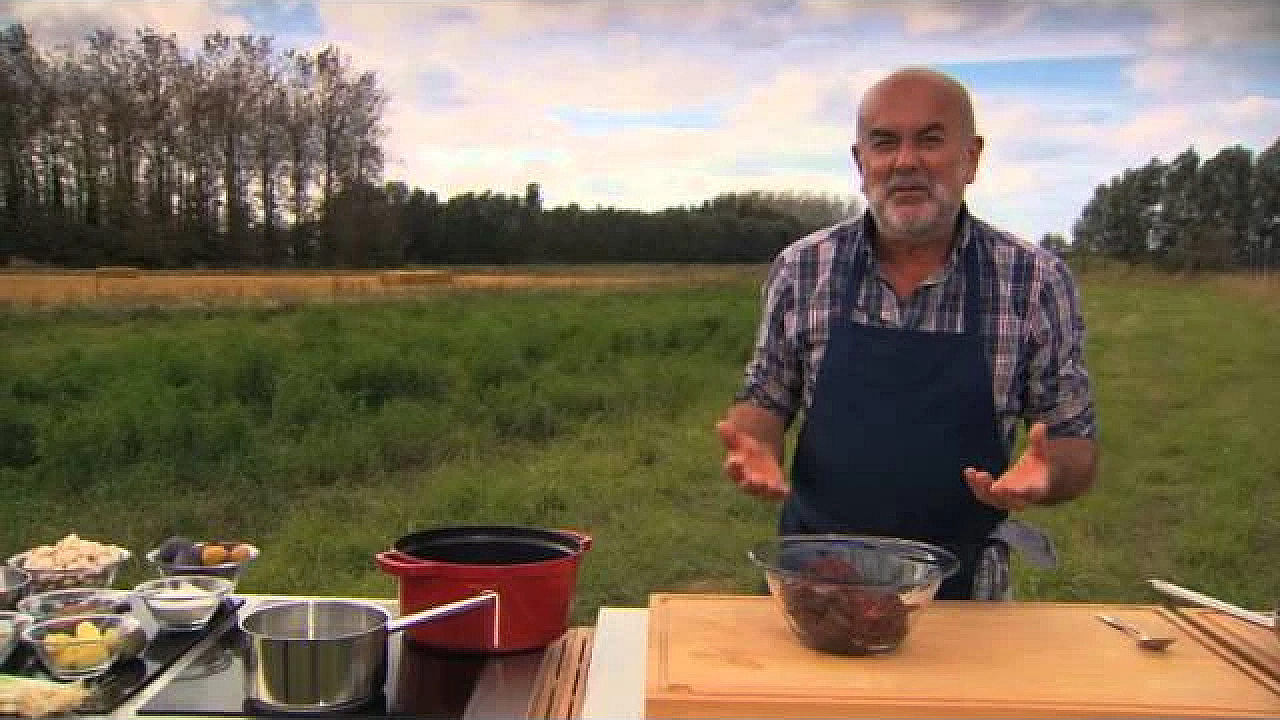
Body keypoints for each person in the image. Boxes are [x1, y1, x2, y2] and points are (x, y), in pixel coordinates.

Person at [717, 67, 1098, 601]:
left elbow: (1074, 443)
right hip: (816, 587)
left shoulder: (1034, 280)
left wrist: (1050, 473)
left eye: (931, 140)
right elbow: (766, 395)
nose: (906, 162)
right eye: (885, 143)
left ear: (972, 158)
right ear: (860, 162)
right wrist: (756, 443)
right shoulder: (802, 269)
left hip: (966, 596)